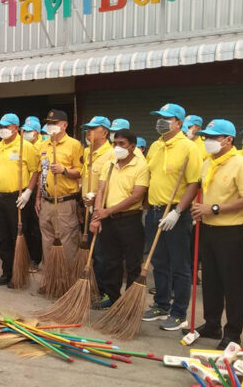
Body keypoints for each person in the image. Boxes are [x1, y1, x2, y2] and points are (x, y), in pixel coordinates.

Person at [189, 119, 243, 349]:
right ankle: (212, 324)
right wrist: (199, 210)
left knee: (232, 284)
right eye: (206, 137)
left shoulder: (240, 164)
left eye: (213, 137)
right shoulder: (208, 162)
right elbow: (204, 192)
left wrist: (214, 208)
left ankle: (233, 333)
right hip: (208, 228)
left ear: (228, 140)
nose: (208, 141)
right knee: (210, 280)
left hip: (231, 231)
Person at [142, 103, 201, 331]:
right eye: (159, 117)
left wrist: (178, 212)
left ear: (179, 123)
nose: (161, 121)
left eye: (166, 118)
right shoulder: (156, 146)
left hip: (176, 214)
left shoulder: (189, 148)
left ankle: (179, 313)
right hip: (154, 211)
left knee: (180, 265)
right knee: (159, 262)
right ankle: (161, 304)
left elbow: (194, 183)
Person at [90, 130, 149, 309]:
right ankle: (113, 298)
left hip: (130, 220)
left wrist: (108, 211)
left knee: (133, 263)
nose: (117, 147)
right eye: (115, 143)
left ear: (132, 146)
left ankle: (129, 303)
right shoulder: (109, 164)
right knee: (111, 261)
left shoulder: (141, 166)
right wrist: (98, 216)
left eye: (122, 144)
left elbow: (136, 196)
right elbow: (101, 190)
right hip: (108, 220)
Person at [0, 114, 39, 285]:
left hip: (17, 198)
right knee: (3, 237)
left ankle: (19, 274)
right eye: (1, 126)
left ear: (16, 128)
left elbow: (35, 171)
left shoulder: (26, 146)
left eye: (6, 126)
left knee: (17, 236)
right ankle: (6, 272)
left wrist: (28, 192)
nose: (2, 129)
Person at [35, 109, 83, 270]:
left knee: (67, 242)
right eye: (49, 123)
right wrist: (37, 197)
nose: (51, 125)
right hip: (46, 201)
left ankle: (67, 278)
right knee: (47, 241)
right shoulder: (43, 144)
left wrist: (64, 170)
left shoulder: (74, 145)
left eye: (54, 123)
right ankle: (51, 277)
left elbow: (80, 172)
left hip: (64, 202)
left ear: (64, 125)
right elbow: (41, 173)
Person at [80, 116, 116, 305]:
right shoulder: (87, 151)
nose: (89, 131)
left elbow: (110, 184)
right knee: (91, 252)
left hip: (101, 208)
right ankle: (94, 287)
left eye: (94, 128)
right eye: (88, 128)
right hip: (86, 206)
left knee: (102, 253)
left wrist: (96, 199)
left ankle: (105, 292)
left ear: (105, 132)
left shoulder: (110, 154)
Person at [20, 116, 44, 270]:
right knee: (26, 225)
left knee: (36, 227)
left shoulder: (43, 145)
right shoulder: (23, 145)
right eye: (24, 130)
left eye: (29, 131)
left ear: (36, 132)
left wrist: (36, 194)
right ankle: (26, 256)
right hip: (25, 189)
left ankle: (36, 258)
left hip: (37, 189)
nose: (25, 133)